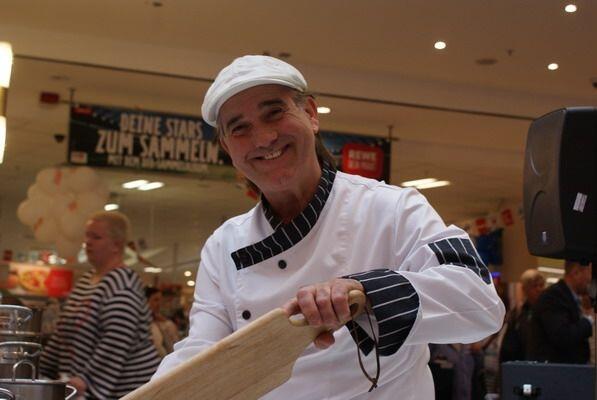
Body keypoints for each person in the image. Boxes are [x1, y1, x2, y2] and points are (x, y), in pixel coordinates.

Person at [153, 55, 505, 399]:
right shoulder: (223, 244)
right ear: (228, 148)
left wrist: (364, 293)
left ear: (310, 114)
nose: (263, 138)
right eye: (239, 128)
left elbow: (480, 302)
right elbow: (202, 350)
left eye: (274, 113)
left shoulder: (393, 208)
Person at [39, 211, 161, 399]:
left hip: (126, 391)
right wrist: (40, 367)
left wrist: (85, 379)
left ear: (116, 245)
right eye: (87, 236)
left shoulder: (123, 284)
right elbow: (62, 333)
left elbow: (116, 340)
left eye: (96, 237)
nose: (87, 242)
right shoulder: (85, 281)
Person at [527, 260, 593, 363]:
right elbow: (562, 336)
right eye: (590, 273)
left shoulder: (569, 297)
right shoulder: (553, 297)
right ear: (576, 273)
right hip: (554, 370)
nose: (591, 279)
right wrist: (588, 320)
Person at [499, 268, 545, 363]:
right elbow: (508, 346)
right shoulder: (517, 313)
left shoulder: (547, 311)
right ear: (525, 289)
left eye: (541, 285)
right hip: (519, 361)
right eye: (534, 286)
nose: (539, 289)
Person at [145, 287, 180, 358]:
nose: (159, 303)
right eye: (155, 300)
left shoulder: (162, 323)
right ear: (146, 301)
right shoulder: (144, 323)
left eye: (160, 300)